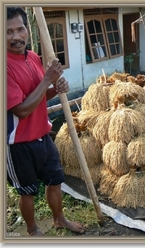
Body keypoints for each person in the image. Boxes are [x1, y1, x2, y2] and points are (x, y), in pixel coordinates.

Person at [6, 7, 85, 236]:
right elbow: (21, 110)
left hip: (43, 135)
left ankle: (59, 219)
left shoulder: (32, 57)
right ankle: (32, 230)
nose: (16, 36)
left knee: (55, 180)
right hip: (18, 143)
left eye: (20, 29)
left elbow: (37, 96)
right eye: (8, 31)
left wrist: (54, 88)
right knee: (28, 192)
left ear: (28, 31)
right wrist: (48, 79)